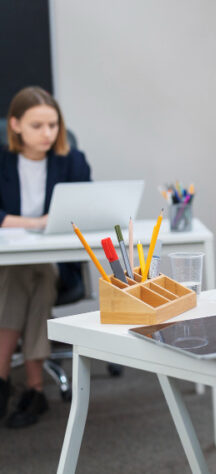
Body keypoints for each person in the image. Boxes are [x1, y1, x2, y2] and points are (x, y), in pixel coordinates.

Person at [0, 86, 91, 429]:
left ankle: (3, 377)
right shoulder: (2, 160)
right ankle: (35, 388)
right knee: (23, 273)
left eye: (53, 125)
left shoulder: (71, 161)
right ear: (15, 125)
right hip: (6, 264)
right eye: (37, 125)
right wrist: (35, 223)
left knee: (30, 271)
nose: (47, 134)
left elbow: (87, 207)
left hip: (55, 265)